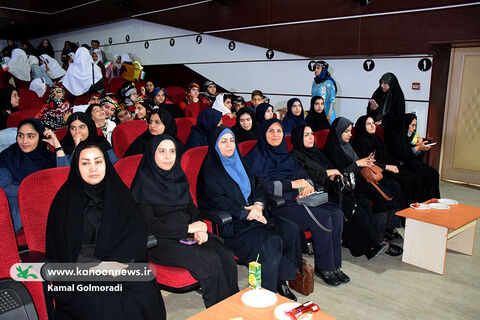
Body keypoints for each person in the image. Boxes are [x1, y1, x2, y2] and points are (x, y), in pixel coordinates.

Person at [45, 141, 166, 320]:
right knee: (107, 306)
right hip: (79, 269)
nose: (93, 168)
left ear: (106, 163)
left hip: (120, 261)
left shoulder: (119, 193)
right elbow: (60, 250)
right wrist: (96, 266)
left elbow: (134, 234)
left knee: (145, 287)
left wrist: (119, 263)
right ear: (77, 166)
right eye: (85, 163)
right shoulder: (64, 200)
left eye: (98, 161)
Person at [131, 135, 238, 307]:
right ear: (152, 154)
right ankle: (219, 312)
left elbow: (191, 207)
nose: (168, 156)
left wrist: (199, 228)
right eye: (162, 151)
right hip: (161, 241)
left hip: (188, 233)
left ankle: (233, 307)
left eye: (172, 151)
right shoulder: (142, 184)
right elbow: (149, 225)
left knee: (226, 255)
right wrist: (188, 228)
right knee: (208, 261)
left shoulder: (177, 176)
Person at [197, 126, 301, 300]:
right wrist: (247, 213)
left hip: (258, 215)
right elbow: (217, 201)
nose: (229, 145)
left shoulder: (241, 162)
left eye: (231, 140)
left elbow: (258, 186)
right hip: (234, 226)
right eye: (223, 141)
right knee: (270, 242)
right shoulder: (210, 171)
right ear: (215, 145)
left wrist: (259, 206)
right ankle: (266, 294)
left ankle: (280, 280)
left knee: (291, 230)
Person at [245, 119, 347, 286]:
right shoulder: (256, 156)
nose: (276, 135)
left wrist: (307, 184)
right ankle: (324, 266)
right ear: (264, 133)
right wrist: (294, 184)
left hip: (299, 197)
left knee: (336, 212)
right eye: (271, 131)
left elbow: (302, 173)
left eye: (279, 131)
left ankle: (335, 265)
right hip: (279, 204)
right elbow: (265, 188)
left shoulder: (284, 153)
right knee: (323, 217)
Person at [290, 124, 389, 259]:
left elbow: (331, 168)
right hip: (318, 192)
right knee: (351, 206)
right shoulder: (295, 156)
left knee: (363, 201)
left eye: (312, 134)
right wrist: (328, 173)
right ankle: (369, 246)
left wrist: (332, 174)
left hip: (332, 187)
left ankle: (360, 241)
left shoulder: (317, 151)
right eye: (306, 135)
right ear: (298, 138)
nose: (311, 137)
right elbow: (308, 177)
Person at [323, 117, 403, 254]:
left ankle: (382, 233)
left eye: (350, 131)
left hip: (360, 178)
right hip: (346, 185)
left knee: (389, 189)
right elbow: (340, 172)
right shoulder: (332, 149)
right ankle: (378, 238)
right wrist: (358, 164)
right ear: (338, 132)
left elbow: (360, 161)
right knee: (380, 197)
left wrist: (367, 161)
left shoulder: (349, 144)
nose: (350, 134)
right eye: (346, 132)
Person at [353, 115, 426, 209]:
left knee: (414, 178)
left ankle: (415, 210)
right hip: (376, 172)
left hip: (387, 167)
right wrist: (387, 166)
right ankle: (403, 215)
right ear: (362, 126)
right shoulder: (359, 142)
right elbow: (367, 163)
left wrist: (396, 164)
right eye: (368, 124)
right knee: (404, 182)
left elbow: (387, 156)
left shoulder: (376, 139)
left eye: (373, 123)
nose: (372, 126)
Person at [0, 118, 57, 233]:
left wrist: (58, 148)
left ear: (41, 137)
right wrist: (34, 193)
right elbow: (5, 186)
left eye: (30, 136)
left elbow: (62, 179)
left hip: (45, 202)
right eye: (20, 136)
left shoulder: (49, 157)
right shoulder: (8, 156)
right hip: (15, 201)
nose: (24, 141)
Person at [387, 113, 440, 200]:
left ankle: (432, 201)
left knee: (434, 174)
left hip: (412, 162)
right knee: (423, 176)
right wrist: (418, 147)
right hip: (402, 164)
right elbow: (401, 155)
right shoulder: (396, 137)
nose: (414, 128)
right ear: (406, 125)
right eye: (412, 125)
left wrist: (420, 148)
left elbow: (413, 154)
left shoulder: (412, 136)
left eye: (415, 125)